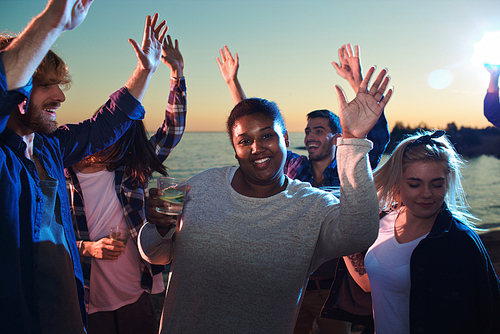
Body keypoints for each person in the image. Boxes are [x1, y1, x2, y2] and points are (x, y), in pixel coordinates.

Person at [138, 65, 394, 333]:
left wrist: (353, 140)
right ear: (235, 150)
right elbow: (155, 254)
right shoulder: (198, 187)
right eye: (244, 141)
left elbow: (360, 233)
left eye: (267, 136)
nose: (257, 147)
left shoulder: (311, 205)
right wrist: (160, 227)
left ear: (285, 138)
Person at [0, 1, 167, 332]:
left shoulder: (51, 146)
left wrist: (146, 71)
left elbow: (106, 123)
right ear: (18, 93)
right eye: (47, 85)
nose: (61, 97)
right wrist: (53, 22)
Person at [217, 43, 388, 333]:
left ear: (336, 138)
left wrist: (356, 83)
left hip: (333, 289)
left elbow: (371, 133)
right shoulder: (295, 168)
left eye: (318, 131)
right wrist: (233, 83)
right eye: (308, 130)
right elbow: (255, 132)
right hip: (293, 285)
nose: (309, 136)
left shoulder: (351, 168)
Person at [65, 35, 186, 333]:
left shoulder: (129, 169)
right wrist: (88, 248)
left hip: (137, 291)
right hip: (87, 297)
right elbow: (48, 237)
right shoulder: (60, 171)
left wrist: (177, 74)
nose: (117, 153)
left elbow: (171, 131)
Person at [343, 130, 500, 333]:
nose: (426, 194)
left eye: (436, 184)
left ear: (447, 182)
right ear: (398, 181)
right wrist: (345, 239)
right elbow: (370, 284)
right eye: (414, 184)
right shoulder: (381, 221)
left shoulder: (461, 241)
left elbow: (485, 316)